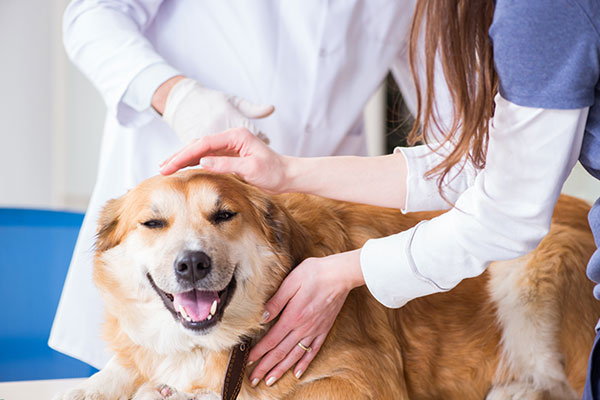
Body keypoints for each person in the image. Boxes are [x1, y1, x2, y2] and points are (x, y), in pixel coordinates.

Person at [160, 0, 600, 394]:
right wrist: (288, 171)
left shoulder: (540, 11)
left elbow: (507, 213)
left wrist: (347, 270)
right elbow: (479, 164)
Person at [49, 0, 432, 369]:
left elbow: (460, 146)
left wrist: (350, 266)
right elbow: (91, 16)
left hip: (304, 242)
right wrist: (178, 96)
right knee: (144, 368)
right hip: (169, 166)